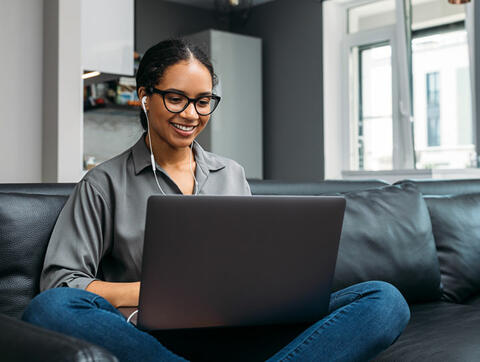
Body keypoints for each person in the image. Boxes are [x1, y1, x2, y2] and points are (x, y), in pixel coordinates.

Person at [22, 39, 410, 362]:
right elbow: (61, 282)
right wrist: (157, 292)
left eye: (203, 101)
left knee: (384, 300)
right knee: (49, 309)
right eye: (176, 98)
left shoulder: (231, 173)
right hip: (154, 341)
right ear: (145, 97)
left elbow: (253, 264)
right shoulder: (102, 183)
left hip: (244, 328)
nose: (191, 114)